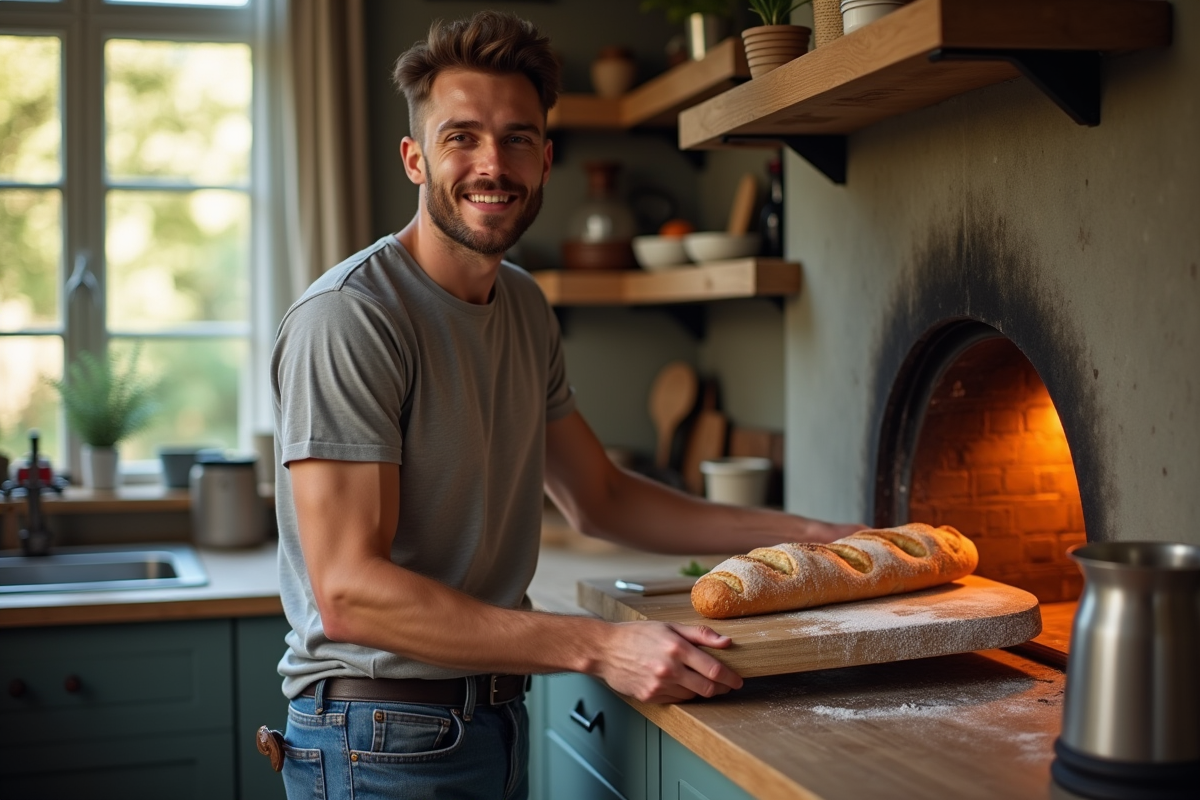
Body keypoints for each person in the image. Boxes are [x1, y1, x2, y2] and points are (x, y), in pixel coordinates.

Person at [270, 11, 860, 799]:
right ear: (415, 159)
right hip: (375, 738)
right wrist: (600, 646)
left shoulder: (522, 305)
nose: (492, 164)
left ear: (545, 161)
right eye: (461, 137)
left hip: (489, 719)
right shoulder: (351, 317)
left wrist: (811, 537)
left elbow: (602, 497)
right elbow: (350, 595)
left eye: (517, 138)